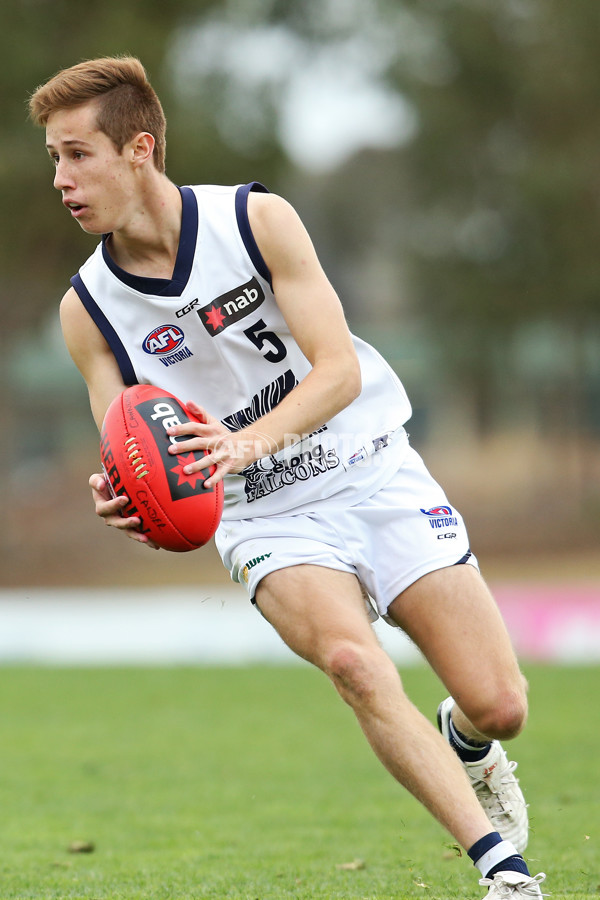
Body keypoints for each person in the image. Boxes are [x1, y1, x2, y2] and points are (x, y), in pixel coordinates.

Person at [29, 56, 547, 899]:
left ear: (140, 150)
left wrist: (242, 440)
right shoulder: (87, 310)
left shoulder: (255, 220)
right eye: (54, 158)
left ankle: (468, 739)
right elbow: (124, 442)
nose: (61, 178)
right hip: (266, 519)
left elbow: (338, 369)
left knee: (501, 706)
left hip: (371, 467)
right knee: (355, 662)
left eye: (77, 154)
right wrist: (123, 495)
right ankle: (505, 871)